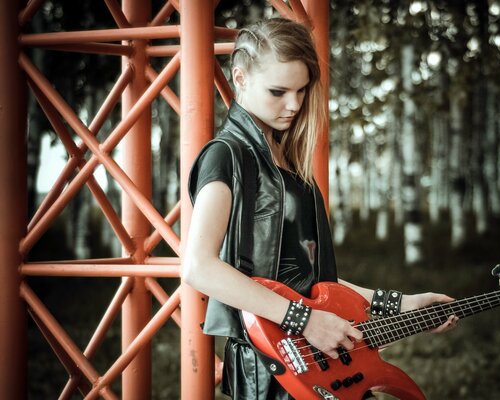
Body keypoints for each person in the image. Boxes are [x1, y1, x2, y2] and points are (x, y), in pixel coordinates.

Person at [182, 18, 458, 400]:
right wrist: (305, 319)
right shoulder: (226, 155)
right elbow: (200, 267)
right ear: (240, 77)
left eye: (302, 90)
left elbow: (307, 280)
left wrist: (401, 303)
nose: (294, 104)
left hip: (321, 365)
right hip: (272, 374)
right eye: (278, 91)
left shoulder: (289, 163)